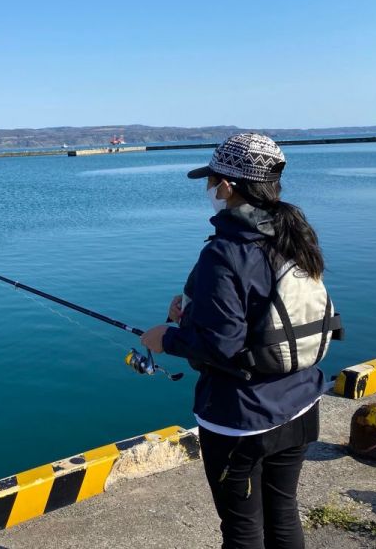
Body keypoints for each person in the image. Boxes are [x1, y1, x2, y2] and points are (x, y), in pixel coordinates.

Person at [140, 133, 334, 549]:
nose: (209, 190)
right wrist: (191, 311)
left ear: (227, 186)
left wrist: (166, 338)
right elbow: (262, 311)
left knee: (242, 528)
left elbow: (220, 346)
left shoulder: (225, 251)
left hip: (242, 417)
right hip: (301, 400)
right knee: (283, 513)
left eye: (211, 181)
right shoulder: (294, 234)